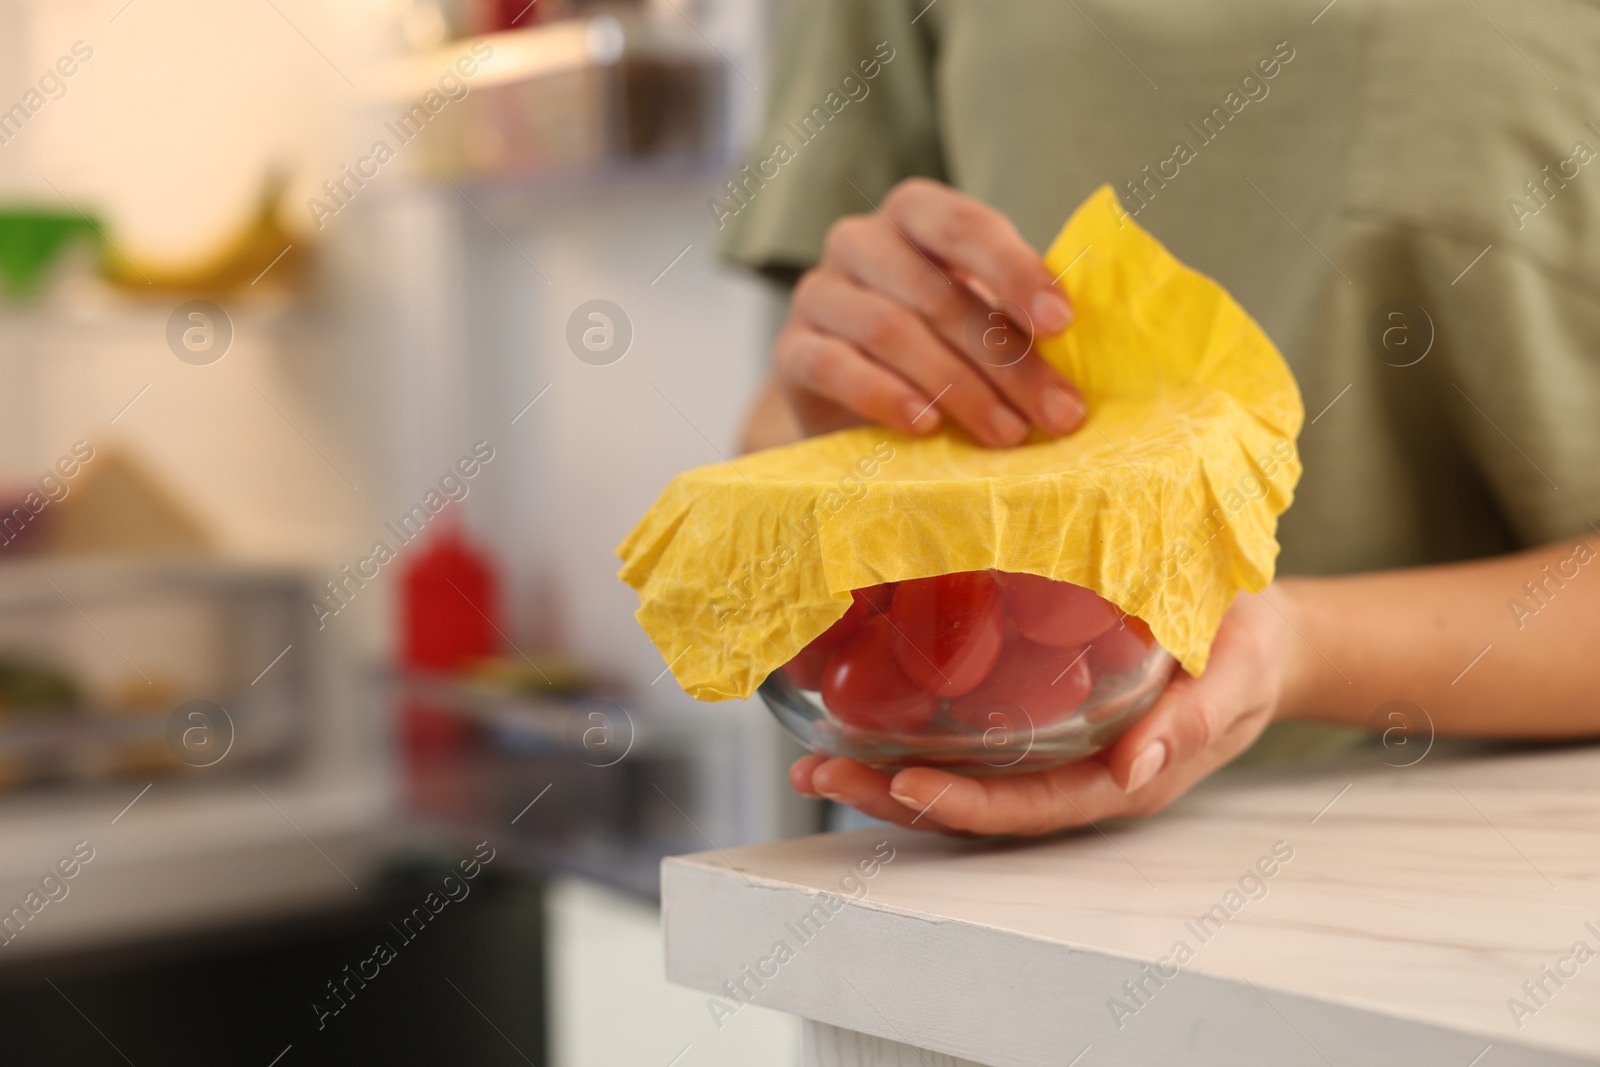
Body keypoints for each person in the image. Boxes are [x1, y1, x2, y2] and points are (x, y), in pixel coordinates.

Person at [718, 1, 1600, 835]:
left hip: (1457, 861)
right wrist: (849, 423)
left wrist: (1295, 646)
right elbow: (771, 436)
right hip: (947, 874)